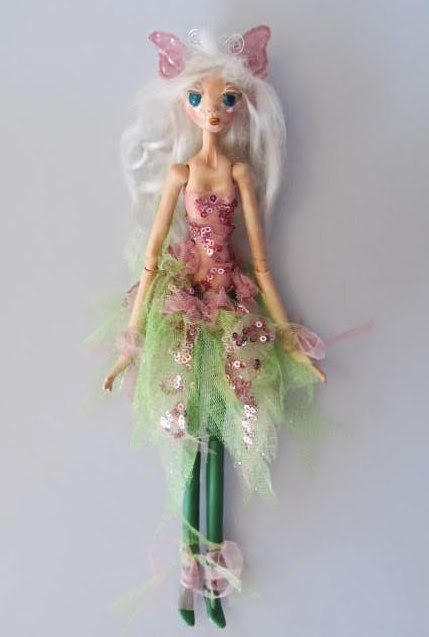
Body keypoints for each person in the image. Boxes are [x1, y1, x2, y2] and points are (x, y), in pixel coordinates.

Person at [101, 25, 326, 628]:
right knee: (188, 432)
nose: (214, 110)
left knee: (225, 432)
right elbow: (151, 258)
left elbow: (260, 263)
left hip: (231, 306)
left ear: (242, 106)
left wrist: (288, 337)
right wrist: (131, 342)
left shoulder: (240, 175)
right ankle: (188, 571)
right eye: (200, 98)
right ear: (185, 105)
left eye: (228, 99)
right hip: (182, 305)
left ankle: (215, 580)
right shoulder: (178, 174)